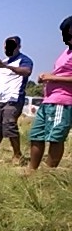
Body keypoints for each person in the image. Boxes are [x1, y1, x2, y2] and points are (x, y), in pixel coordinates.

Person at [27, 16, 72, 170]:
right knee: (36, 135)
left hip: (63, 101)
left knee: (55, 137)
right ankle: (32, 171)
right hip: (48, 100)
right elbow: (61, 73)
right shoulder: (65, 52)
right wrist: (46, 78)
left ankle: (48, 174)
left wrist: (52, 77)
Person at [0, 36, 33, 164]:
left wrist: (8, 66)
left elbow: (26, 72)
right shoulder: (2, 63)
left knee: (9, 124)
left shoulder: (24, 60)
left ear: (18, 47)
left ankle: (17, 155)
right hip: (1, 99)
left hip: (15, 98)